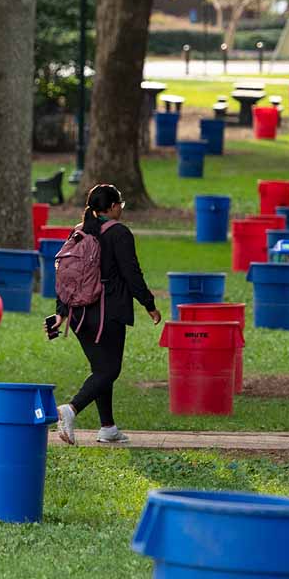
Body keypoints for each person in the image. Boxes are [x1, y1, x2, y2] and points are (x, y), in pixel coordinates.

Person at [53, 184, 161, 445]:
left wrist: (62, 312)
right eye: (120, 205)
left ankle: (108, 428)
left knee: (100, 369)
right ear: (112, 207)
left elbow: (68, 276)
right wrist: (149, 304)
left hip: (79, 315)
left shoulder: (78, 232)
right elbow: (131, 273)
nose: (121, 209)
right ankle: (71, 409)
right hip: (107, 313)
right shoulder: (119, 233)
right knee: (109, 369)